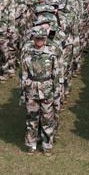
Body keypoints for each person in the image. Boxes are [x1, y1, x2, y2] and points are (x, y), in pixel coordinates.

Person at [20, 26, 61, 155]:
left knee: (47, 118)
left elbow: (56, 74)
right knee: (32, 118)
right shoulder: (28, 54)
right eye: (37, 38)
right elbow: (23, 75)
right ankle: (31, 144)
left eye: (41, 39)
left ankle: (47, 145)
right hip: (31, 89)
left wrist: (56, 91)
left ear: (45, 39)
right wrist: (23, 93)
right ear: (33, 39)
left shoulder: (51, 54)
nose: (39, 41)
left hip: (47, 89)